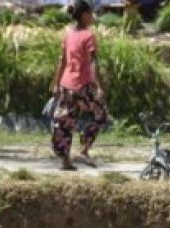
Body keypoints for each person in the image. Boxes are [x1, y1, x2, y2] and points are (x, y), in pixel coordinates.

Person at [50, 1, 108, 171]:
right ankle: (84, 149)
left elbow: (62, 61)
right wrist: (99, 86)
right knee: (101, 115)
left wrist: (55, 84)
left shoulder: (68, 35)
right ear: (84, 15)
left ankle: (65, 161)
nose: (92, 17)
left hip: (67, 86)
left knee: (65, 122)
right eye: (91, 14)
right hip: (83, 85)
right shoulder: (88, 35)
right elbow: (92, 63)